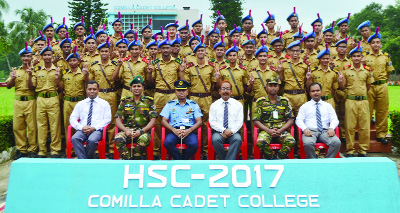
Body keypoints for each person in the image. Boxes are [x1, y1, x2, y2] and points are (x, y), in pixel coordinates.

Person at [338, 42, 373, 157]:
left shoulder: (367, 71)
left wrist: (361, 95)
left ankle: (363, 150)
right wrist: (341, 81)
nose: (357, 58)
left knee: (364, 126)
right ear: (351, 58)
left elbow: (368, 86)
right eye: (354, 56)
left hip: (363, 101)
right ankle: (350, 150)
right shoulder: (346, 70)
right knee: (350, 127)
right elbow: (342, 88)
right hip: (350, 101)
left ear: (362, 57)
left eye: (359, 56)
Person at [184, 36, 216, 159]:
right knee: (192, 123)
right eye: (198, 51)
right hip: (193, 98)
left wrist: (207, 93)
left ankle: (206, 151)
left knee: (206, 125)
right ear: (195, 53)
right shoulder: (190, 67)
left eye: (203, 50)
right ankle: (194, 150)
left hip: (207, 98)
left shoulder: (211, 67)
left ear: (205, 52)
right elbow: (186, 84)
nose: (201, 52)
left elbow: (213, 84)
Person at [30, 39, 62, 158]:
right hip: (41, 99)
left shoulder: (58, 70)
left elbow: (61, 88)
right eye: (45, 55)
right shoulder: (37, 70)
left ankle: (55, 150)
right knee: (41, 125)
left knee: (55, 125)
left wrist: (58, 79)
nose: (47, 57)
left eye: (49, 55)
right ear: (42, 56)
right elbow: (32, 86)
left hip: (53, 98)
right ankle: (42, 150)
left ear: (52, 56)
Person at [114, 76, 157, 160]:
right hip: (127, 131)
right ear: (131, 88)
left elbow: (153, 120)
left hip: (143, 131)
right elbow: (117, 120)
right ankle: (127, 160)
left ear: (143, 88)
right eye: (134, 86)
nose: (136, 88)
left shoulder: (149, 101)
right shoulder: (124, 101)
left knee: (143, 140)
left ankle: (135, 159)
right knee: (118, 138)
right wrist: (126, 130)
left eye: (139, 86)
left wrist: (141, 131)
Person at [6, 43, 37, 159]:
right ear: (21, 58)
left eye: (28, 56)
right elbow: (9, 86)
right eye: (24, 56)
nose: (26, 58)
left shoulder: (35, 70)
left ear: (32, 57)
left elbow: (32, 87)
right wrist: (12, 78)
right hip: (18, 101)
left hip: (30, 100)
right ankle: (21, 150)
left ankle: (33, 149)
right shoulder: (15, 70)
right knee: (18, 126)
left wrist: (29, 75)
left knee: (32, 126)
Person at [89, 38, 118, 159]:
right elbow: (89, 82)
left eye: (106, 51)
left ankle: (111, 149)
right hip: (98, 95)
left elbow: (117, 80)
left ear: (109, 52)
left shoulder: (115, 65)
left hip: (111, 94)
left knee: (111, 122)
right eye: (102, 51)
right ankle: (95, 149)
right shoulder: (94, 66)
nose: (104, 53)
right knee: (96, 121)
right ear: (99, 52)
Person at [364, 28, 394, 144]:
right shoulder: (365, 57)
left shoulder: (386, 57)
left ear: (380, 44)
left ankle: (381, 134)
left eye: (377, 42)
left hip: (382, 86)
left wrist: (383, 81)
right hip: (370, 86)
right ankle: (366, 135)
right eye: (373, 42)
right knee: (367, 111)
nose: (375, 44)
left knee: (382, 111)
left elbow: (388, 72)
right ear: (370, 45)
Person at [253, 77, 295, 159]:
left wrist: (280, 130)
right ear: (266, 88)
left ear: (278, 87)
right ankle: (272, 158)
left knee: (291, 141)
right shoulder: (261, 102)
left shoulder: (284, 101)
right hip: (266, 130)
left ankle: (279, 158)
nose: (273, 88)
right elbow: (256, 121)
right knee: (260, 142)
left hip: (281, 130)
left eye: (275, 85)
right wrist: (269, 130)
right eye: (270, 85)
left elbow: (291, 119)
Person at [296, 83, 341, 158]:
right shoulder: (305, 106)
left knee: (336, 142)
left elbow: (334, 119)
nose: (316, 93)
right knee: (308, 143)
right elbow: (298, 120)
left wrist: (331, 128)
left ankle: (327, 162)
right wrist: (305, 129)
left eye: (317, 90)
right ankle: (314, 162)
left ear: (321, 92)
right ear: (310, 93)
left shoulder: (327, 106)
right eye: (313, 91)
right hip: (310, 131)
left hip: (325, 131)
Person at [160, 80, 202, 160]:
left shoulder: (193, 104)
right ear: (175, 92)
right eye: (179, 90)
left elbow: (199, 121)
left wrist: (188, 131)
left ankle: (184, 159)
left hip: (189, 131)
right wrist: (174, 130)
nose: (181, 92)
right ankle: (178, 159)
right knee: (167, 143)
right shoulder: (170, 104)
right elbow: (163, 120)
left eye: (184, 90)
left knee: (194, 144)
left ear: (187, 92)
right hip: (174, 131)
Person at [69, 81, 111, 159]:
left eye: (94, 89)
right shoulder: (81, 103)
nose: (92, 91)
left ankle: (84, 161)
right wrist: (81, 127)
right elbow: (72, 118)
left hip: (96, 130)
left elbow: (107, 119)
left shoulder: (104, 104)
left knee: (92, 140)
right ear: (86, 90)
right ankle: (85, 162)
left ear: (98, 90)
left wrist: (94, 128)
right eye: (90, 89)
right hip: (82, 130)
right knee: (75, 138)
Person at [209, 80, 243, 160]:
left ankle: (227, 162)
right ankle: (224, 160)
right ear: (219, 91)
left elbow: (239, 122)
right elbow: (212, 122)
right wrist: (224, 130)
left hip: (233, 132)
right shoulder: (214, 105)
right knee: (215, 140)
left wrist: (231, 132)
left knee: (237, 139)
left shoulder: (238, 104)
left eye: (228, 89)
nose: (225, 91)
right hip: (219, 132)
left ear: (231, 91)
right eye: (223, 88)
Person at [277, 40, 309, 116]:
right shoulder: (284, 64)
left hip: (301, 96)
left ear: (300, 51)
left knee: (302, 120)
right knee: (288, 119)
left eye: (297, 51)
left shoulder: (305, 65)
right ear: (289, 52)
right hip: (288, 96)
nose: (295, 53)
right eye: (293, 51)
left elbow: (306, 82)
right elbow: (281, 82)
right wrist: (279, 72)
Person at [306, 44, 338, 109]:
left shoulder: (333, 73)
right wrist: (308, 79)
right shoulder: (314, 72)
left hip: (329, 100)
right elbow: (309, 88)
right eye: (323, 58)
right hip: (316, 100)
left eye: (327, 58)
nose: (325, 60)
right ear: (319, 59)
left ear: (329, 59)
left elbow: (334, 89)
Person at [216, 40, 248, 105]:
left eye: (234, 55)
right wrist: (218, 79)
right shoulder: (222, 70)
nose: (232, 57)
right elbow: (219, 86)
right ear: (227, 57)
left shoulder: (243, 70)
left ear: (237, 57)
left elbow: (245, 85)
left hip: (239, 99)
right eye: (230, 55)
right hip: (226, 99)